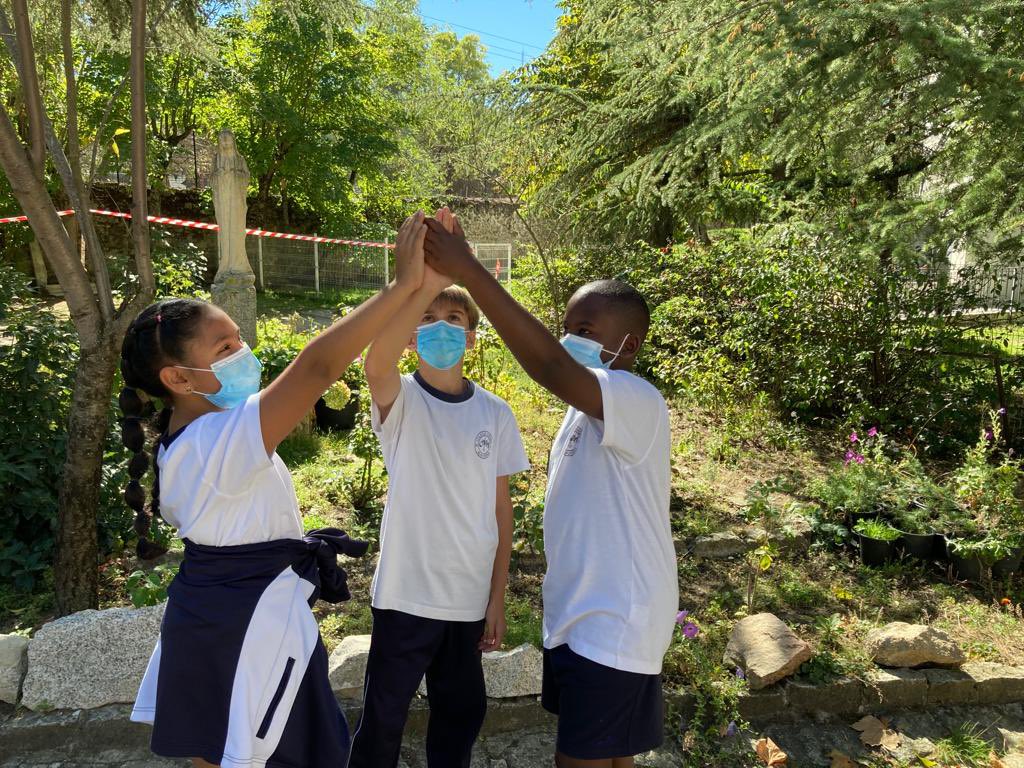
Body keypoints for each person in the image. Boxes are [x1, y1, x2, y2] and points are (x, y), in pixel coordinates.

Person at [119, 213, 430, 768]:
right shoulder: (220, 440)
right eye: (224, 349)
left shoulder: (188, 441)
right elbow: (318, 367)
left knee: (224, 751)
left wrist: (420, 287)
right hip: (246, 624)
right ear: (178, 378)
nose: (243, 354)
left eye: (238, 339)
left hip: (216, 616)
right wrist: (402, 286)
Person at [422, 216, 678, 768]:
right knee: (611, 756)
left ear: (627, 344)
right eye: (567, 326)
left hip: (615, 620)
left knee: (580, 760)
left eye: (584, 330)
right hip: (583, 618)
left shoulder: (635, 399)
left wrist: (468, 268)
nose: (568, 339)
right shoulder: (583, 410)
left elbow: (547, 363)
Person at [347, 209, 530, 768]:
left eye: (454, 318)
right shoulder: (400, 400)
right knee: (384, 716)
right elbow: (374, 360)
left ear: (472, 337)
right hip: (406, 595)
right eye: (428, 319)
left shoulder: (496, 415)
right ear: (410, 336)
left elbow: (502, 514)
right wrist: (420, 282)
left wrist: (497, 596)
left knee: (461, 712)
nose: (441, 327)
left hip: (468, 598)